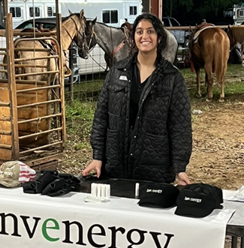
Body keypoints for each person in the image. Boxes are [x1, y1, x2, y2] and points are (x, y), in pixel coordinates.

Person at [82, 13, 192, 185]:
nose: (144, 36)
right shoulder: (116, 72)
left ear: (159, 37)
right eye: (139, 32)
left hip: (155, 169)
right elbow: (101, 117)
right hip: (116, 166)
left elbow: (180, 126)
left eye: (150, 31)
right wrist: (97, 157)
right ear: (133, 37)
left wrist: (180, 167)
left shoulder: (173, 78)